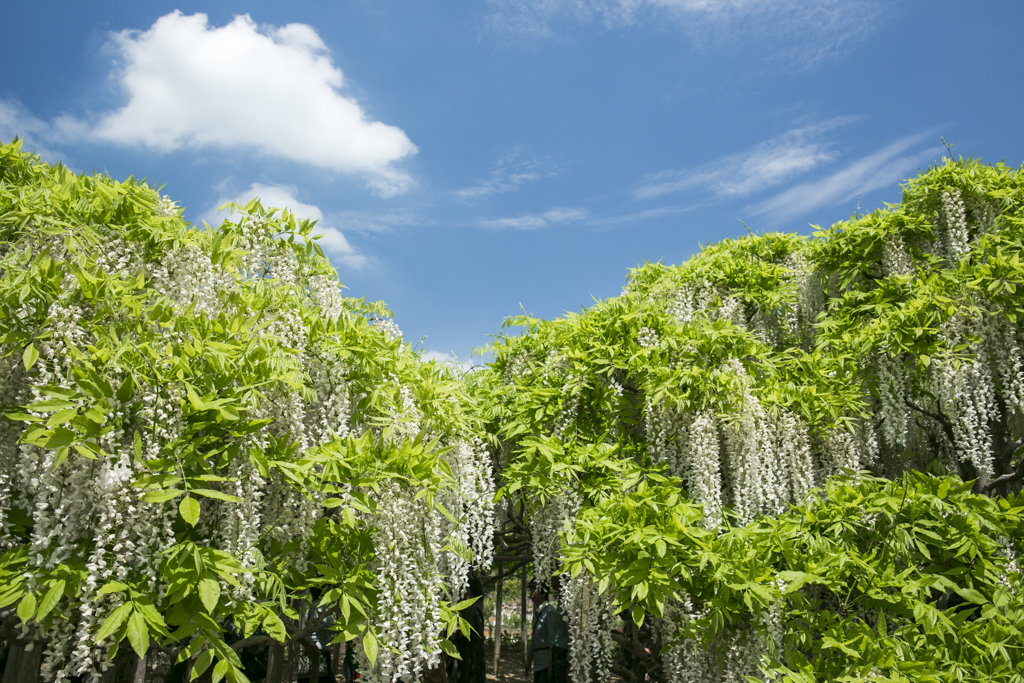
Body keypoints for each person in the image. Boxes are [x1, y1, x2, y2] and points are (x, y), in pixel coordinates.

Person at [526, 579, 569, 683]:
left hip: (546, 661)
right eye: (531, 591)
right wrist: (529, 659)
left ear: (543, 593)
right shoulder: (537, 612)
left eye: (534, 591)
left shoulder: (549, 612)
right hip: (538, 660)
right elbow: (534, 638)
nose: (531, 595)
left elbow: (551, 639)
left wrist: (550, 662)